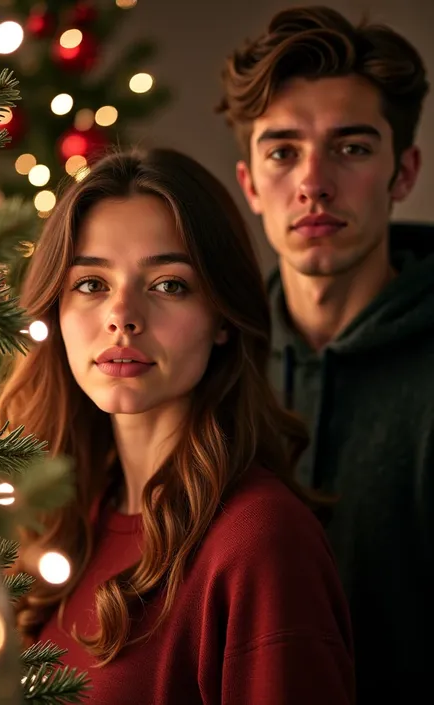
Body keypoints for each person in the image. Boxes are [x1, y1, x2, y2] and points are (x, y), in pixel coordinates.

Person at [0, 148, 354, 704]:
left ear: (222, 320)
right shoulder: (63, 524)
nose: (122, 315)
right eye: (91, 283)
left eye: (168, 284)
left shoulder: (259, 543)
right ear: (54, 311)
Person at [217, 5, 433, 704]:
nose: (314, 182)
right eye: (283, 150)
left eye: (352, 147)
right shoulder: (211, 359)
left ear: (404, 172)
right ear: (249, 184)